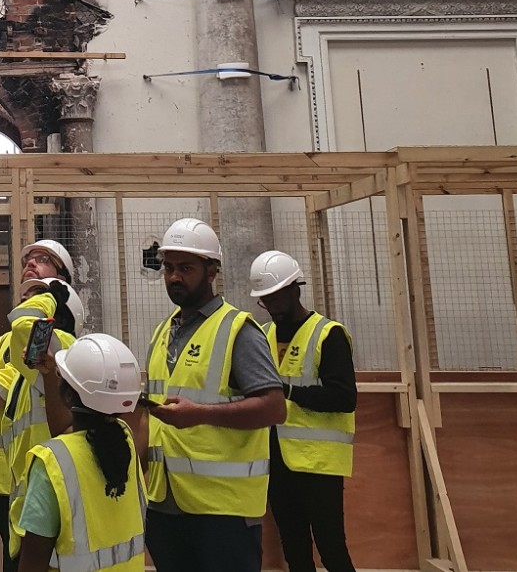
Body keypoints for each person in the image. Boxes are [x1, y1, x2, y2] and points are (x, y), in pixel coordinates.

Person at [139, 218, 286, 572]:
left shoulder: (238, 330)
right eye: (169, 268)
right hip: (165, 502)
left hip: (224, 511)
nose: (174, 277)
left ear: (211, 271)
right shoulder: (162, 332)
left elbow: (274, 408)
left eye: (186, 268)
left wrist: (200, 414)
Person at [0, 240, 75, 572]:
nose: (30, 264)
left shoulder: (57, 345)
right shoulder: (6, 341)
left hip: (42, 478)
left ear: (62, 285)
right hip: (6, 479)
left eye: (43, 260)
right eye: (27, 260)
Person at [250, 251, 358, 572]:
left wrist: (288, 392)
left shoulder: (328, 335)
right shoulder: (262, 335)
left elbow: (344, 397)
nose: (272, 306)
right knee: (294, 548)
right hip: (277, 461)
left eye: (276, 297)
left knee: (331, 547)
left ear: (295, 289)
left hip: (319, 462)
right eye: (265, 300)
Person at [10, 333, 147, 572]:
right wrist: (50, 377)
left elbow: (34, 559)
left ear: (68, 395)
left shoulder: (53, 463)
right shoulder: (124, 439)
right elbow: (69, 431)